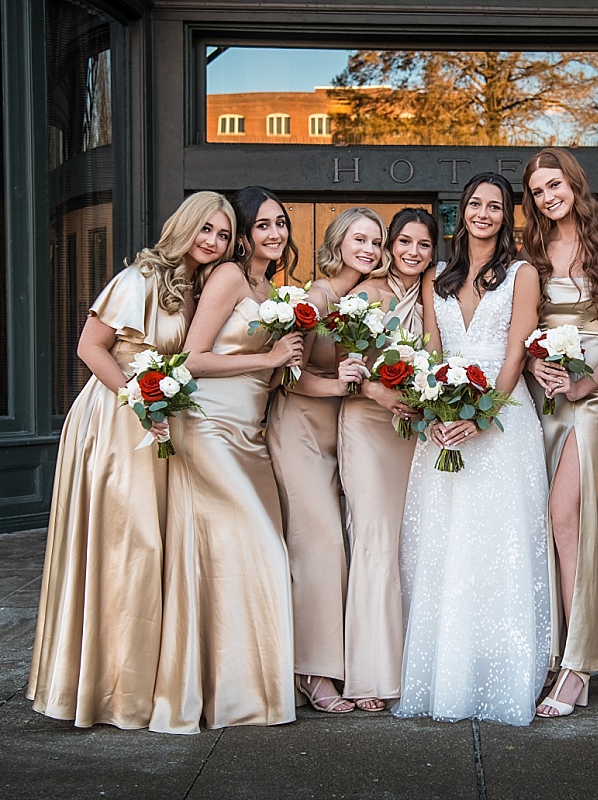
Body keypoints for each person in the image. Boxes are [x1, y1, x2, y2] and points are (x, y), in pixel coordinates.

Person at [28, 191, 235, 729]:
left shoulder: (199, 288)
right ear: (184, 227)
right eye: (205, 230)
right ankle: (107, 691)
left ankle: (142, 686)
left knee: (153, 549)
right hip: (115, 419)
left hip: (159, 420)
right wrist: (137, 399)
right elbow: (90, 348)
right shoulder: (137, 279)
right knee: (128, 544)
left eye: (222, 234)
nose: (212, 241)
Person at [392, 173, 551, 727]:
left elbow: (515, 352)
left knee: (499, 545)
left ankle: (502, 673)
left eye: (496, 206)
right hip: (446, 425)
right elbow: (434, 351)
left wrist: (482, 418)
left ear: (508, 215)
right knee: (446, 545)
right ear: (461, 212)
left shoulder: (522, 274)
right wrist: (439, 412)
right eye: (475, 204)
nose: (484, 213)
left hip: (502, 425)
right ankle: (446, 669)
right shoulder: (437, 275)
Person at [149, 186, 305, 734]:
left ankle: (240, 693)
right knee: (260, 545)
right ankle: (243, 697)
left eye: (280, 223)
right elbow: (190, 358)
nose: (275, 233)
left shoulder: (273, 287)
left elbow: (271, 364)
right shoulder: (231, 278)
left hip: (252, 435)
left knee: (242, 560)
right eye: (262, 225)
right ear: (244, 234)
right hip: (211, 427)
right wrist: (269, 356)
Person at [520, 148, 598, 717]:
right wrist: (531, 366)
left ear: (574, 183)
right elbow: (518, 328)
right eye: (538, 190)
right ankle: (558, 643)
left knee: (566, 518)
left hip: (587, 401)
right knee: (543, 524)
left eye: (555, 184)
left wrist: (587, 383)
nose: (549, 197)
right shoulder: (532, 252)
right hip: (541, 400)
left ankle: (577, 665)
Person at [267, 207, 385, 713]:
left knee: (341, 547)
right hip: (298, 428)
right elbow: (285, 374)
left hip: (341, 433)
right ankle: (313, 675)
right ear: (337, 242)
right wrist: (340, 383)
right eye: (360, 239)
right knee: (322, 547)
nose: (370, 249)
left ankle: (333, 663)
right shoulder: (315, 297)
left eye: (376, 242)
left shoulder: (368, 298)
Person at [338, 208, 437, 712]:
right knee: (373, 541)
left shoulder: (430, 298)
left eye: (423, 244)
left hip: (411, 432)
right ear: (390, 246)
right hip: (368, 426)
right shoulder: (367, 295)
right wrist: (378, 393)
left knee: (406, 544)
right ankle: (370, 676)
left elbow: (438, 360)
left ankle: (404, 664)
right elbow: (344, 367)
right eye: (404, 242)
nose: (412, 252)